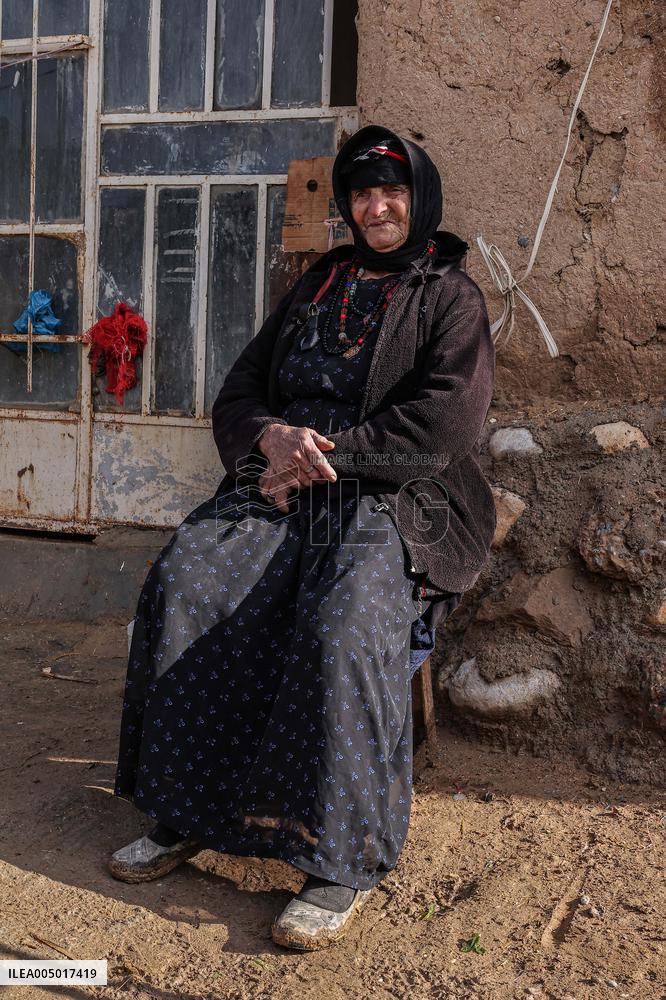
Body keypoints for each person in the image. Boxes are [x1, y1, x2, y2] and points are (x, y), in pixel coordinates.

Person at [109, 125, 496, 951]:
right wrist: (269, 439)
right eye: (363, 193)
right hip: (284, 480)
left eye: (392, 191)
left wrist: (332, 456)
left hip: (395, 491)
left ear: (419, 199)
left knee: (344, 624)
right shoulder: (320, 282)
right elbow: (239, 390)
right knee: (189, 583)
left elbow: (446, 425)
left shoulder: (450, 297)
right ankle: (185, 811)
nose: (377, 207)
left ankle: (337, 859)